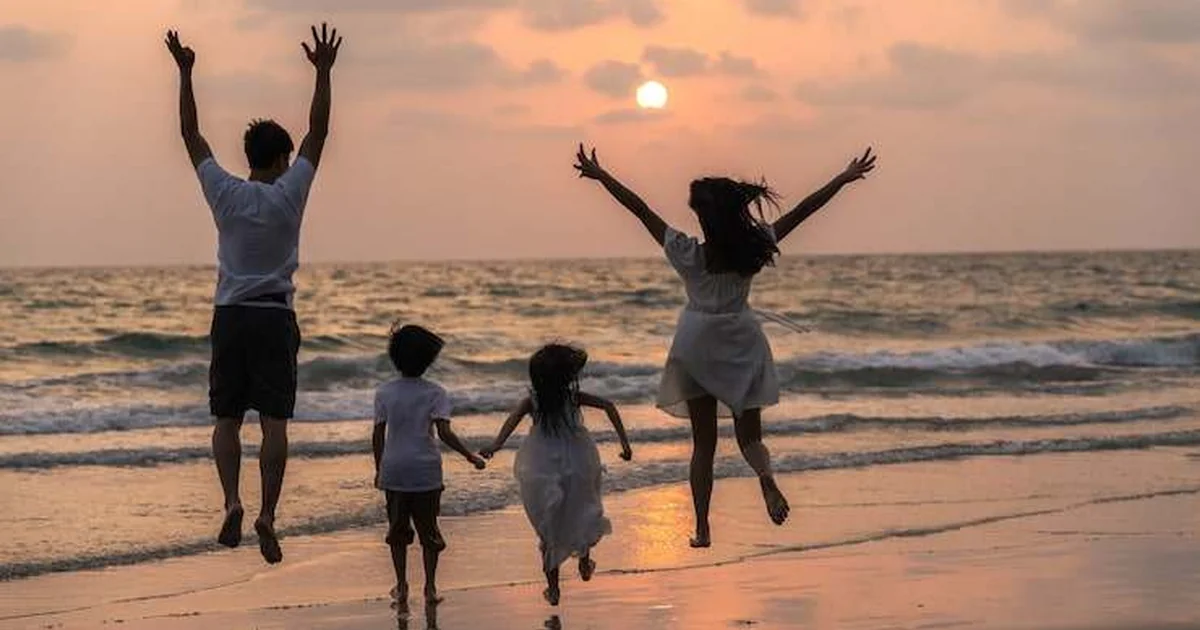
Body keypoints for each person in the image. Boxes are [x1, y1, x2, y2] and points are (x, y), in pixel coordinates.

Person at [573, 144, 876, 548]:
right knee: (750, 436)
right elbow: (804, 211)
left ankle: (702, 528)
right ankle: (766, 481)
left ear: (703, 217)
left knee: (704, 446)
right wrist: (842, 178)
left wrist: (601, 174)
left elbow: (639, 209)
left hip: (696, 344)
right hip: (740, 341)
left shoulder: (687, 253)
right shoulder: (753, 245)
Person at [164, 23, 342, 564]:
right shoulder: (291, 193)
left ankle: (231, 501)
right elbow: (320, 131)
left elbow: (191, 137)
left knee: (225, 420)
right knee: (274, 424)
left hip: (230, 316)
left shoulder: (225, 192)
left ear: (247, 157)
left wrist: (186, 72)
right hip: (273, 316)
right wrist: (324, 72)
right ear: (282, 158)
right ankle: (267, 513)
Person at [479, 344, 633, 606]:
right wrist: (625, 445)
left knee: (549, 525)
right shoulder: (572, 398)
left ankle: (553, 589)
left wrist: (496, 445)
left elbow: (512, 421)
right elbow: (609, 406)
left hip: (542, 463)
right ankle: (584, 561)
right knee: (584, 510)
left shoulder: (533, 401)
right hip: (580, 459)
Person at [374, 324, 487, 613]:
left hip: (395, 470)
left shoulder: (385, 392)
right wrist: (469, 456)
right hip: (425, 471)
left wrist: (380, 469)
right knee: (429, 532)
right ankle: (430, 587)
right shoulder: (436, 392)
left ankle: (401, 587)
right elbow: (445, 434)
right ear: (428, 360)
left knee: (397, 532)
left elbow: (378, 435)